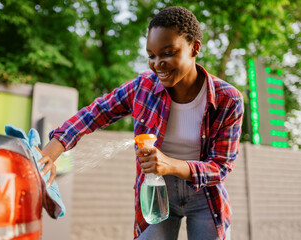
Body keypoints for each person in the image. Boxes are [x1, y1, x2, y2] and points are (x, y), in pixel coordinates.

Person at [38, 6, 244, 240]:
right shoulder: (143, 87)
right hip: (156, 190)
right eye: (151, 55)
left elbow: (221, 166)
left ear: (195, 47)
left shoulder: (228, 99)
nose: (158, 64)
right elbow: (94, 113)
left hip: (205, 197)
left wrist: (171, 165)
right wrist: (49, 154)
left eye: (168, 53)